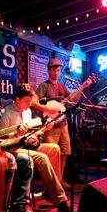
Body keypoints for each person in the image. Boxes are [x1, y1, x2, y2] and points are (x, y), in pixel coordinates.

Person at [0, 69, 45, 212]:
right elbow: (0, 136)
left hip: (12, 145)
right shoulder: (1, 110)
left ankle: (20, 207)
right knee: (20, 159)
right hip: (1, 148)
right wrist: (17, 136)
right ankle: (5, 210)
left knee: (36, 155)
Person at [0, 84, 72, 212]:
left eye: (30, 101)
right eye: (26, 101)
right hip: (14, 149)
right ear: (17, 99)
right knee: (42, 158)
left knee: (55, 148)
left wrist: (43, 130)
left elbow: (31, 133)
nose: (29, 104)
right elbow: (3, 141)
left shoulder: (27, 111)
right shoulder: (7, 113)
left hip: (28, 145)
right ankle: (61, 200)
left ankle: (51, 192)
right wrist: (16, 136)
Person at [35, 58, 92, 188]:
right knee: (51, 154)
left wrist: (83, 86)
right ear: (49, 70)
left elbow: (71, 100)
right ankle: (51, 183)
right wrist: (48, 110)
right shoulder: (44, 86)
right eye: (54, 69)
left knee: (64, 153)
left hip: (63, 123)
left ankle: (59, 180)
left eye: (58, 70)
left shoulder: (61, 86)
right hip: (50, 125)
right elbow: (35, 102)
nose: (56, 72)